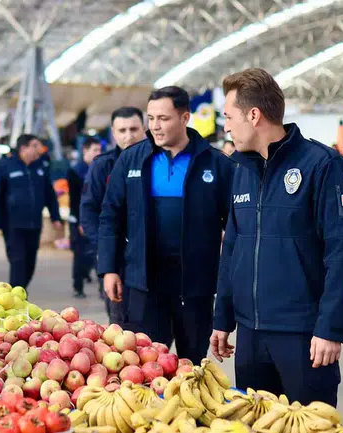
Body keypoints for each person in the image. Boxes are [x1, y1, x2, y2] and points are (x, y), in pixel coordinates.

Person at [210, 68, 343, 406]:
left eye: (228, 117)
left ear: (253, 115)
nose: (226, 126)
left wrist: (331, 328)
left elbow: (342, 251)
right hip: (250, 336)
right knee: (256, 425)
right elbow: (232, 248)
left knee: (311, 426)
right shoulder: (241, 170)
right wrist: (223, 318)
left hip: (303, 335)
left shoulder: (322, 165)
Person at [98, 87, 234, 362]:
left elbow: (233, 225)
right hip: (144, 279)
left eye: (163, 118)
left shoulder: (215, 163)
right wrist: (109, 268)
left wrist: (229, 279)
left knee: (191, 362)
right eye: (151, 118)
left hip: (194, 282)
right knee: (144, 361)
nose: (155, 127)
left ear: (185, 118)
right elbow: (111, 215)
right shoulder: (132, 159)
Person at [80, 107, 146, 317]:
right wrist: (103, 247)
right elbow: (89, 210)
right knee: (120, 322)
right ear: (113, 132)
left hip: (149, 255)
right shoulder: (103, 166)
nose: (129, 136)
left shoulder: (157, 161)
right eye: (122, 130)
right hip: (115, 256)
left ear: (144, 128)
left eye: (134, 129)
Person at [0, 134, 62, 289]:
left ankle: (19, 292)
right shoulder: (5, 166)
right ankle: (16, 296)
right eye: (34, 146)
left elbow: (50, 195)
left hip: (34, 224)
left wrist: (56, 217)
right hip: (13, 224)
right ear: (23, 148)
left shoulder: (40, 167)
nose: (38, 150)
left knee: (30, 262)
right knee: (18, 262)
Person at [67, 137, 102, 298]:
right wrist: (82, 221)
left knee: (97, 253)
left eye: (99, 150)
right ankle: (78, 286)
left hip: (98, 219)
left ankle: (103, 287)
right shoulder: (75, 172)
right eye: (94, 150)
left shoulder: (101, 169)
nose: (98, 153)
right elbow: (75, 201)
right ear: (85, 151)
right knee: (80, 254)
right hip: (79, 220)